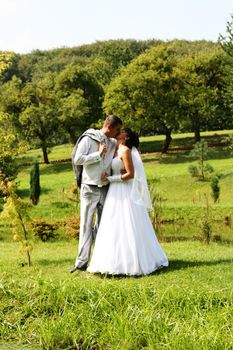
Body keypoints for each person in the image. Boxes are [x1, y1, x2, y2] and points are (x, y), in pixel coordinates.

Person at [87, 128, 168, 276]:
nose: (119, 132)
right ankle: (112, 261)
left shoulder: (125, 151)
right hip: (114, 191)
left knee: (128, 223)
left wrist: (111, 179)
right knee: (113, 224)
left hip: (124, 190)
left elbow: (131, 175)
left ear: (126, 137)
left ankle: (132, 262)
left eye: (122, 131)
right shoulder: (115, 148)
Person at [70, 115, 123, 273]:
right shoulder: (89, 138)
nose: (118, 132)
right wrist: (98, 155)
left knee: (103, 224)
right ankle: (81, 262)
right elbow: (77, 160)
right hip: (89, 188)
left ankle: (100, 261)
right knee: (86, 224)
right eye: (117, 129)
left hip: (106, 188)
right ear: (109, 127)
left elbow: (123, 144)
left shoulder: (113, 142)